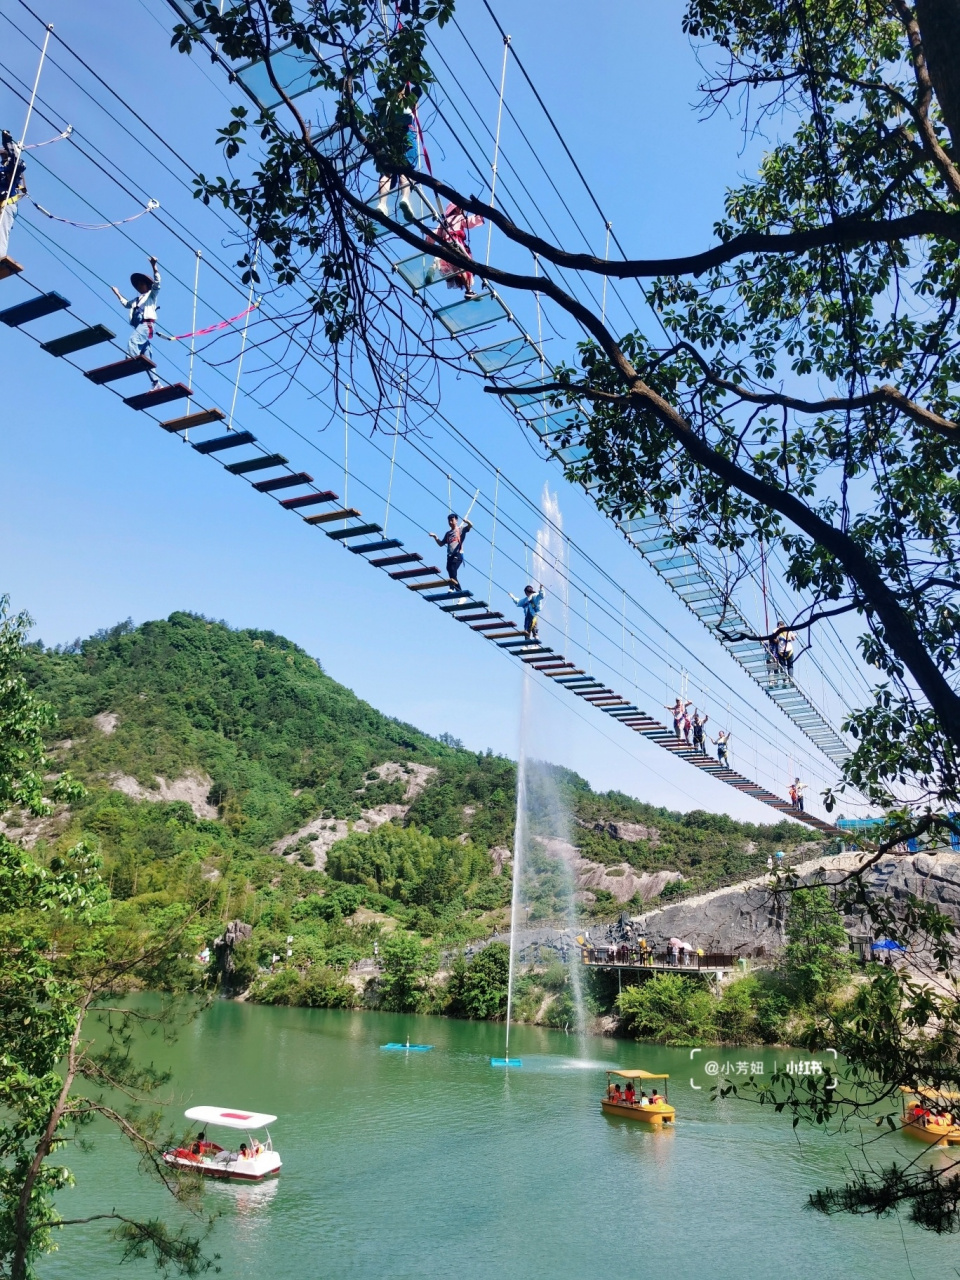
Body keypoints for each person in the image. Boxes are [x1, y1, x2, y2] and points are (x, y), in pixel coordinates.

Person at [111, 256, 162, 387]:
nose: (139, 286)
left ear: (147, 286)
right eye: (138, 285)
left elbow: (157, 283)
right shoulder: (136, 300)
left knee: (133, 341)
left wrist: (154, 266)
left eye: (142, 284)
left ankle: (130, 360)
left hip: (147, 324)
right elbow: (126, 304)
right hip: (141, 326)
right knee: (146, 358)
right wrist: (117, 293)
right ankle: (156, 382)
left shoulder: (151, 295)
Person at [428, 202, 484, 299]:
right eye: (462, 209)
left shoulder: (444, 222)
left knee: (451, 265)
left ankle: (434, 267)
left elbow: (435, 234)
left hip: (445, 246)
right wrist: (482, 213)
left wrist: (428, 239)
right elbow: (471, 221)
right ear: (457, 209)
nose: (463, 212)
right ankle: (468, 290)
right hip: (455, 244)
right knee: (463, 267)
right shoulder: (459, 218)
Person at [377, 105, 418, 221]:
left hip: (389, 138)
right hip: (406, 137)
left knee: (386, 173)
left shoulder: (387, 103)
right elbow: (417, 93)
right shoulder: (408, 100)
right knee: (405, 169)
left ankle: (382, 204)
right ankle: (405, 198)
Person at [0, 129, 26, 263]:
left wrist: (7, 142)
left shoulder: (14, 168)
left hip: (7, 205)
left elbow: (16, 163)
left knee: (1, 232)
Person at [429, 512, 472, 588]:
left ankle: (453, 588)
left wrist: (467, 521)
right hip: (450, 556)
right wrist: (435, 537)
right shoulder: (448, 533)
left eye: (452, 520)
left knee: (452, 570)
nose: (450, 522)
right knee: (449, 569)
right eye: (449, 521)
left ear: (456, 520)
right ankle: (457, 590)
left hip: (458, 554)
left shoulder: (461, 529)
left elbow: (470, 526)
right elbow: (441, 544)